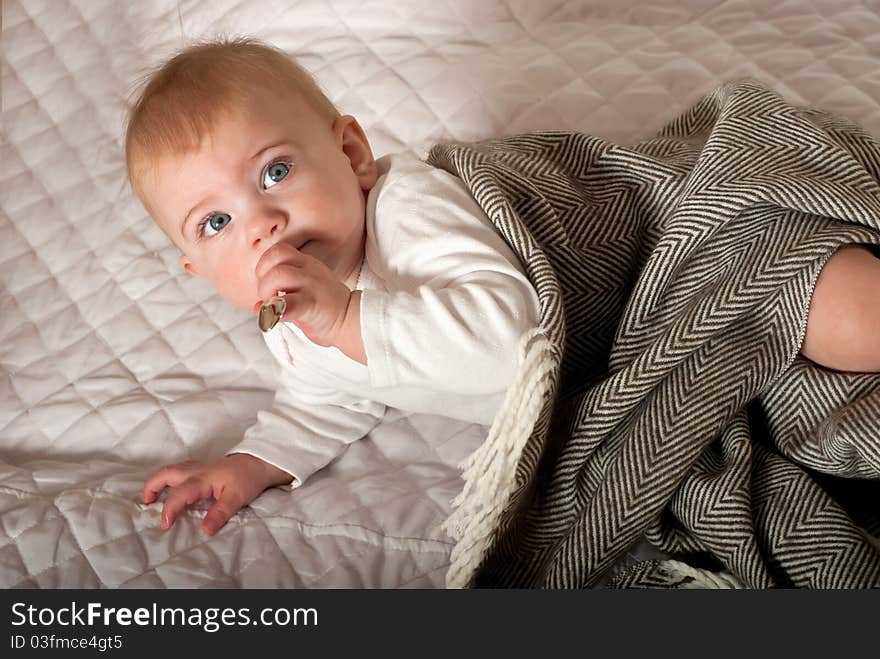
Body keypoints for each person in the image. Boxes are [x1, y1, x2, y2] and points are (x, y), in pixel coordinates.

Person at [125, 38, 880, 536]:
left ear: (351, 152)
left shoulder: (408, 209)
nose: (260, 222)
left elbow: (513, 348)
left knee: (833, 306)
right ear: (196, 268)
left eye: (275, 172)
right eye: (215, 222)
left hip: (666, 249)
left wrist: (351, 317)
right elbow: (332, 395)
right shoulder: (299, 319)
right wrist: (250, 465)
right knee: (805, 411)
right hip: (647, 338)